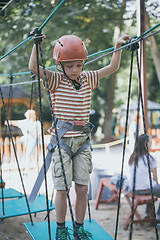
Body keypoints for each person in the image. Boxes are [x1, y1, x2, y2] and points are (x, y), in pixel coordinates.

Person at [29, 33, 131, 240]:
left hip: (82, 141)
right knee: (62, 188)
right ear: (60, 65)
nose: (75, 70)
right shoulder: (55, 79)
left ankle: (78, 227)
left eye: (78, 65)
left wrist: (117, 47)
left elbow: (112, 68)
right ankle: (60, 228)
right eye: (70, 66)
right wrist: (35, 45)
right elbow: (34, 68)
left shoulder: (88, 78)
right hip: (62, 140)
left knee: (83, 188)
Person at [128, 134, 160, 219]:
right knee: (153, 187)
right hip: (146, 189)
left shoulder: (132, 158)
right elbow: (155, 179)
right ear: (145, 144)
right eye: (149, 142)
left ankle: (147, 213)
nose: (151, 144)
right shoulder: (151, 159)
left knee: (149, 185)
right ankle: (158, 215)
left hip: (134, 189)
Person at [5, 109, 41, 174]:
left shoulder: (37, 123)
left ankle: (27, 170)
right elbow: (17, 122)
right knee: (32, 155)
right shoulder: (26, 122)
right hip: (28, 141)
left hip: (34, 141)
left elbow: (39, 133)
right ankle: (37, 168)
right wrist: (9, 122)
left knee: (29, 154)